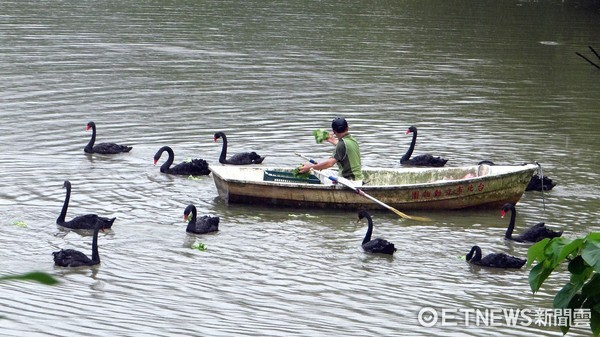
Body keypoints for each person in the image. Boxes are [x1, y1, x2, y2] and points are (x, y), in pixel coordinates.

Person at [298, 117, 363, 186]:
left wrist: (309, 168)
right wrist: (333, 141)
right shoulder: (352, 140)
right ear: (347, 128)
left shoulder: (341, 144)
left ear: (334, 131)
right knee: (325, 173)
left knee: (326, 178)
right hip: (357, 179)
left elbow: (329, 164)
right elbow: (344, 148)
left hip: (351, 182)